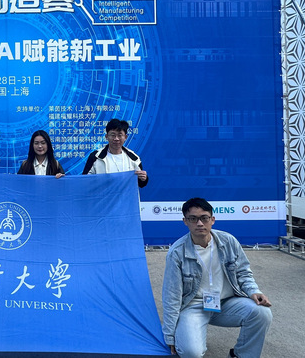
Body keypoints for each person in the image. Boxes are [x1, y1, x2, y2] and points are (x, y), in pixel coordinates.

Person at [162, 198, 272, 358]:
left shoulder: (228, 241)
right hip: (193, 306)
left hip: (226, 303)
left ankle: (241, 355)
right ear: (185, 221)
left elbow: (243, 272)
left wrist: (254, 291)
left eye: (204, 218)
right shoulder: (177, 253)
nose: (200, 223)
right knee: (190, 352)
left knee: (262, 313)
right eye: (193, 219)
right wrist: (170, 335)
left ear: (212, 219)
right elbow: (171, 296)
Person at [81, 118, 148, 187]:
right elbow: (84, 182)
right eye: (113, 135)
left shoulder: (134, 158)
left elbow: (140, 184)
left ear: (125, 137)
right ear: (106, 137)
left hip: (127, 194)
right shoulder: (95, 156)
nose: (116, 139)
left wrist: (144, 179)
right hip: (104, 194)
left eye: (120, 135)